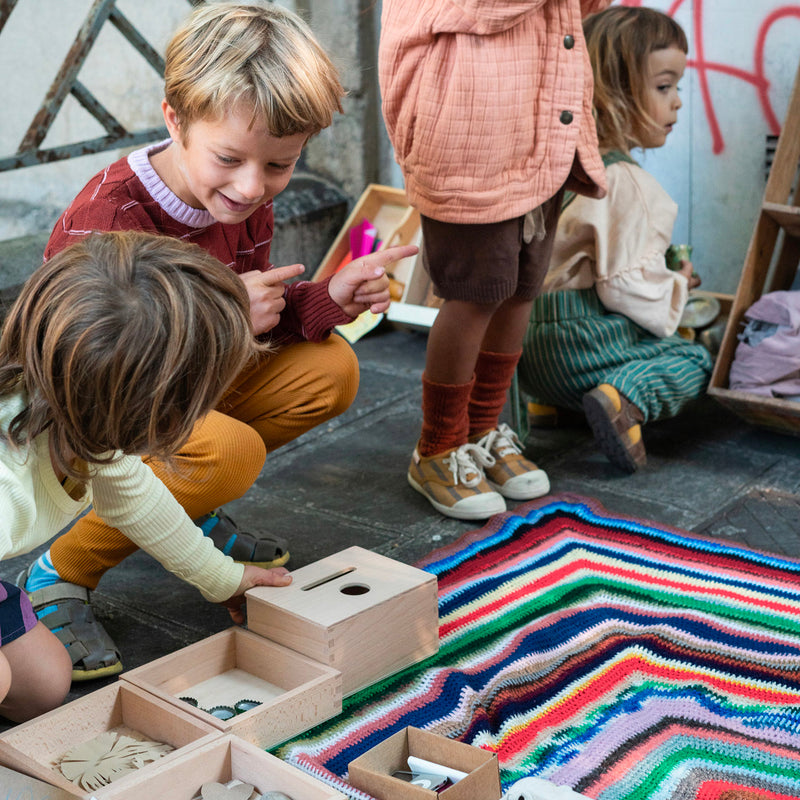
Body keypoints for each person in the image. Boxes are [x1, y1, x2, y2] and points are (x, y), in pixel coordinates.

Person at [17, 0, 418, 680]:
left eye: (279, 166)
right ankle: (60, 572)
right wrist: (229, 314)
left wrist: (326, 299)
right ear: (175, 116)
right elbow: (95, 378)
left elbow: (260, 321)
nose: (252, 188)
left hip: (194, 381)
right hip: (109, 407)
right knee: (230, 453)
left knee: (332, 369)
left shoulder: (241, 197)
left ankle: (188, 502)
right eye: (230, 158)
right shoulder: (106, 220)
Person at [0, 231, 294, 722]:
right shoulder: (7, 486)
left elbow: (139, 503)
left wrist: (223, 579)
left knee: (45, 684)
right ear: (156, 412)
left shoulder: (80, 416)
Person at [379, 0, 610, 520]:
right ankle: (437, 449)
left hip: (541, 137)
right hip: (469, 143)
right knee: (474, 296)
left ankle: (482, 432)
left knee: (521, 291)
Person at [518, 6, 713, 473]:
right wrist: (678, 284)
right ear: (614, 94)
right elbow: (626, 286)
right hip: (580, 342)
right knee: (695, 359)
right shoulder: (629, 183)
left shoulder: (553, 165)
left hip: (525, 351)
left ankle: (552, 407)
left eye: (677, 88)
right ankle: (623, 399)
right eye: (664, 87)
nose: (678, 102)